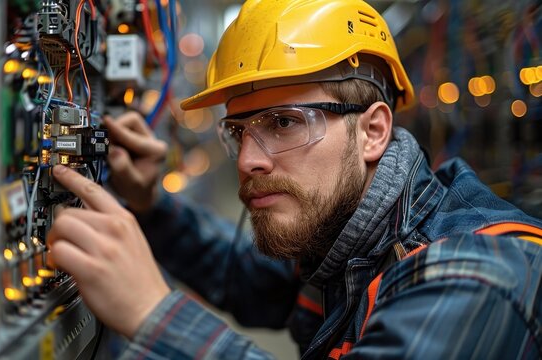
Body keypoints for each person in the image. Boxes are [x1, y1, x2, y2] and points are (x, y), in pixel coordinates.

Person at [47, 0, 542, 358]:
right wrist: (150, 204)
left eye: (284, 123)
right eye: (238, 131)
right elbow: (243, 277)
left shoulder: (473, 280)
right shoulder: (346, 239)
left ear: (372, 131)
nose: (246, 162)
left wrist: (155, 316)